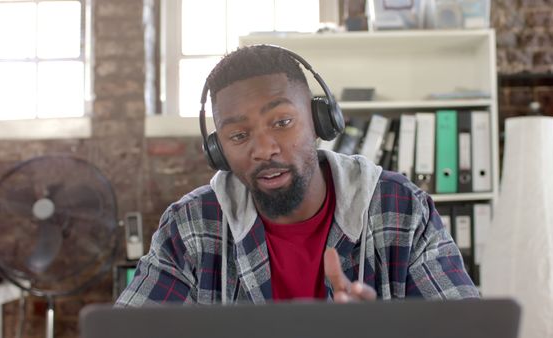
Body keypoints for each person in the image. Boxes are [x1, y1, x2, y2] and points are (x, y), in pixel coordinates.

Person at [116, 45, 479, 306]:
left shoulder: (401, 210)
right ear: (218, 150)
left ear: (321, 121)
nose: (264, 148)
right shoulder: (191, 226)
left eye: (283, 122)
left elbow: (467, 329)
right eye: (239, 135)